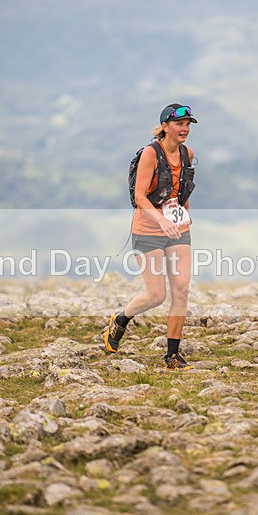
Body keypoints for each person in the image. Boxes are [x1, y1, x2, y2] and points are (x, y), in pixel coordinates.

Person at [105, 103, 198, 370]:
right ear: (165, 127)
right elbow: (139, 197)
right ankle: (121, 319)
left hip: (177, 231)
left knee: (181, 290)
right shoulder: (150, 153)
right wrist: (160, 221)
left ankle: (172, 356)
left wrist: (184, 219)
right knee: (156, 295)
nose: (185, 129)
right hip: (148, 230)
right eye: (180, 124)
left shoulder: (188, 154)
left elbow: (183, 192)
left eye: (188, 125)